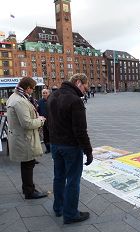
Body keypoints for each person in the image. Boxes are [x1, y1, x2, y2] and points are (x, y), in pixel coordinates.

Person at [47, 73, 93, 224]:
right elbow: (80, 131)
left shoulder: (53, 96)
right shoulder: (75, 100)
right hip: (70, 147)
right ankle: (71, 214)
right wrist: (88, 151)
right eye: (86, 86)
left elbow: (49, 123)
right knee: (73, 180)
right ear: (78, 82)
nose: (87, 90)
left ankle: (58, 207)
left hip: (55, 145)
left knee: (59, 177)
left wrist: (50, 142)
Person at [6, 77, 47, 199]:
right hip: (24, 138)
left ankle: (28, 189)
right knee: (28, 164)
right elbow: (27, 123)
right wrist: (40, 120)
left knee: (27, 164)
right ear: (27, 87)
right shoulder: (19, 100)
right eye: (32, 88)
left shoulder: (16, 97)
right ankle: (29, 191)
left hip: (21, 137)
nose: (32, 91)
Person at [37, 89, 50, 153]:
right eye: (43, 93)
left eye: (46, 93)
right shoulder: (39, 102)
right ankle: (48, 148)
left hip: (51, 121)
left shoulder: (52, 100)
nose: (44, 94)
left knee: (52, 135)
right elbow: (37, 111)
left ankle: (53, 148)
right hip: (43, 121)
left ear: (48, 93)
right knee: (45, 136)